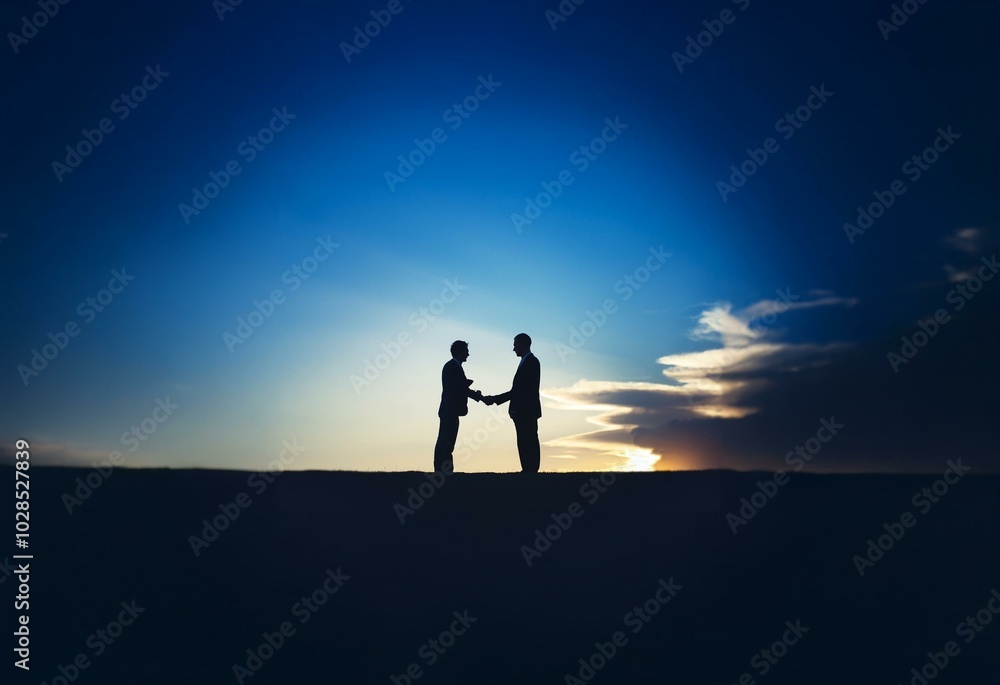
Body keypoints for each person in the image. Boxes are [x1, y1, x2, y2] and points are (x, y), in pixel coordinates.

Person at [484, 333, 541, 473]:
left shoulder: (531, 362)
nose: (514, 349)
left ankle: (531, 469)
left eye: (515, 345)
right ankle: (528, 469)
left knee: (528, 440)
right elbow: (517, 390)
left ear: (523, 344)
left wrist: (495, 399)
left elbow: (519, 391)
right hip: (522, 411)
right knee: (524, 440)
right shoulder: (526, 362)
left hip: (526, 411)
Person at [434, 340, 484, 473]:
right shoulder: (452, 367)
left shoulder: (454, 367)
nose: (468, 353)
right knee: (445, 442)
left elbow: (458, 387)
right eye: (466, 350)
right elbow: (458, 388)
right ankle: (442, 471)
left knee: (448, 443)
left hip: (451, 410)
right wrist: (477, 396)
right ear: (460, 351)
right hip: (449, 410)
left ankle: (445, 470)